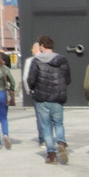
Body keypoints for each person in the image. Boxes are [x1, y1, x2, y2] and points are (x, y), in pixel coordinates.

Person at [26, 36, 72, 164]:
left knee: (46, 126)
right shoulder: (62, 60)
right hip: (58, 97)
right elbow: (68, 79)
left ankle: (51, 155)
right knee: (58, 123)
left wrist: (33, 88)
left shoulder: (36, 61)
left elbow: (31, 80)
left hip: (42, 98)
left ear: (41, 46)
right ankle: (61, 142)